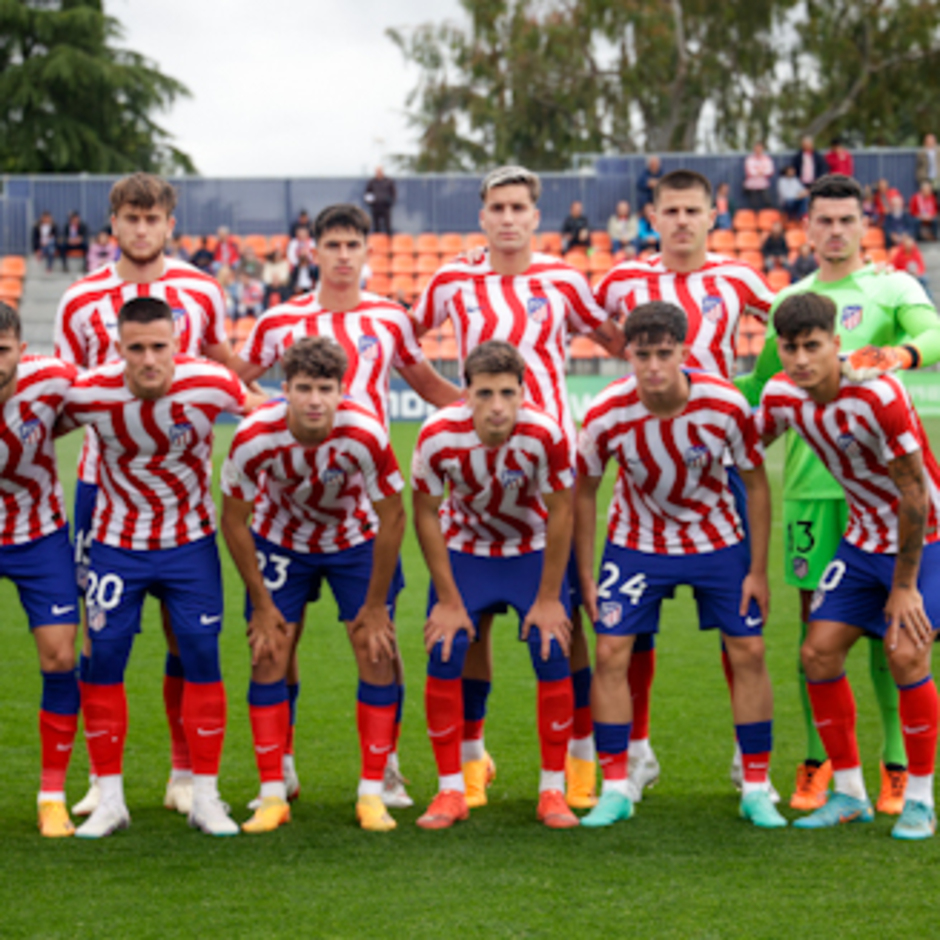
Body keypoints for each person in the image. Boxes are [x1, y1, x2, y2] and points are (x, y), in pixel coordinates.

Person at [235, 203, 461, 810]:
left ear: (367, 250)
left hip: (366, 509)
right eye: (330, 244)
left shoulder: (389, 318)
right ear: (313, 251)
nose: (341, 255)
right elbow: (238, 373)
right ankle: (278, 764)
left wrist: (484, 413)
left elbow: (430, 387)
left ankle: (384, 769)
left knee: (378, 638)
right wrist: (257, 403)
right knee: (282, 637)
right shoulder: (282, 319)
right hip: (285, 510)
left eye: (351, 244)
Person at [413, 165, 625, 812]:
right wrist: (461, 406)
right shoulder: (452, 278)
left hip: (555, 468)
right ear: (483, 216)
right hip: (477, 476)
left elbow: (615, 338)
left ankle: (581, 760)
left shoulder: (562, 278)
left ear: (537, 216)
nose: (508, 218)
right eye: (497, 207)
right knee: (467, 631)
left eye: (519, 207)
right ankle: (471, 766)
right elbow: (402, 343)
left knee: (571, 614)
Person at [736, 173, 940, 814]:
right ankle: (823, 766)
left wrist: (895, 356)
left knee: (899, 635)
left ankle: (899, 768)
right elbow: (763, 386)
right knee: (818, 634)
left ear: (862, 225)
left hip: (896, 499)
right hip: (810, 489)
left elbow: (934, 338)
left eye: (845, 220)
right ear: (807, 227)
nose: (833, 231)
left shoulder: (891, 285)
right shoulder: (791, 301)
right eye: (821, 220)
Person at [54, 172, 245, 821]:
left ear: (169, 223)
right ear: (114, 225)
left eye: (152, 218)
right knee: (99, 635)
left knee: (182, 632)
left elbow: (222, 360)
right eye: (130, 219)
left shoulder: (199, 288)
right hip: (101, 488)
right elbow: (67, 386)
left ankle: (186, 772)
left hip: (183, 490)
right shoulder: (81, 299)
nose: (141, 229)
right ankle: (100, 781)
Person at [595, 169, 776, 802]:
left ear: (712, 214)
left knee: (741, 625)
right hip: (644, 464)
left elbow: (786, 327)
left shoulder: (738, 278)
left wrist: (758, 395)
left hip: (716, 460)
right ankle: (636, 751)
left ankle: (744, 756)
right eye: (669, 210)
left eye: (691, 210)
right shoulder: (622, 279)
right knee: (630, 629)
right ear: (654, 215)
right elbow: (594, 326)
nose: (680, 221)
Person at [574, 301, 784, 829]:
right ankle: (617, 785)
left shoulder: (726, 404)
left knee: (750, 649)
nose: (652, 367)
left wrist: (757, 570)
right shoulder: (605, 413)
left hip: (716, 538)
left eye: (664, 354)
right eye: (641, 355)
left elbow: (756, 485)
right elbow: (583, 493)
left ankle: (756, 785)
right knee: (611, 651)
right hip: (637, 540)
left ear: (684, 353)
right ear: (628, 354)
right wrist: (584, 578)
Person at [759, 291, 940, 839]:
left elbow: (915, 496)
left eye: (812, 346)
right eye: (790, 348)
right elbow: (747, 443)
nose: (800, 360)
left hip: (927, 536)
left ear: (837, 344)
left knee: (906, 653)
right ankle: (849, 793)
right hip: (862, 542)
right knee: (817, 653)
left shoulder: (879, 394)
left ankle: (920, 800)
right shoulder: (782, 395)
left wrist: (904, 587)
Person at [222, 336, 407, 833]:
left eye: (325, 388)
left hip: (353, 540)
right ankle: (272, 793)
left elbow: (393, 518)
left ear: (341, 390)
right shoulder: (254, 436)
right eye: (303, 388)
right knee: (268, 652)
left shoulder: (365, 433)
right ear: (285, 389)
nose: (314, 400)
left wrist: (374, 605)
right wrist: (260, 604)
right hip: (280, 541)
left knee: (375, 649)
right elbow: (233, 521)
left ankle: (372, 793)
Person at [412, 341, 578, 830]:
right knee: (445, 648)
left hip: (530, 549)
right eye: (485, 393)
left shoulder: (544, 433)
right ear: (466, 393)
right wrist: (446, 598)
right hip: (466, 550)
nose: (498, 405)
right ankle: (451, 790)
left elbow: (563, 509)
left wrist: (549, 598)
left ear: (524, 392)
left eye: (508, 392)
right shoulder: (438, 435)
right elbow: (424, 511)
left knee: (552, 649)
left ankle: (553, 789)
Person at [0, 304, 81, 837]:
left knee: (59, 655)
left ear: (20, 351)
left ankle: (52, 796)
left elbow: (109, 392)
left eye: (1, 350)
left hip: (38, 535)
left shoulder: (51, 381)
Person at [364, 166, 396, 235]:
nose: (378, 173)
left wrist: (390, 202)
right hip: (375, 207)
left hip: (385, 207)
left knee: (387, 226)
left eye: (380, 171)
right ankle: (377, 242)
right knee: (376, 226)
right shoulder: (371, 182)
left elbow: (393, 193)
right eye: (377, 171)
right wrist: (370, 202)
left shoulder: (388, 181)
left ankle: (389, 243)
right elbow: (367, 193)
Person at [743, 142, 775, 210]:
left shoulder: (767, 159)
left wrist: (761, 172)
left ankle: (768, 215)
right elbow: (750, 171)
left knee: (767, 200)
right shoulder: (750, 159)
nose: (758, 150)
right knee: (754, 202)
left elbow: (770, 170)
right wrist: (760, 172)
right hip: (752, 183)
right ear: (754, 149)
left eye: (760, 148)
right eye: (756, 148)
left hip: (763, 183)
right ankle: (755, 217)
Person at [287, 225, 317, 296]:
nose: (302, 234)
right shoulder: (293, 242)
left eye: (304, 232)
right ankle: (295, 286)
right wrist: (298, 262)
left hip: (309, 265)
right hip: (298, 265)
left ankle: (313, 285)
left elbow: (314, 254)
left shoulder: (312, 242)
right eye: (300, 232)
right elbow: (290, 255)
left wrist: (307, 259)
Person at [261, 244, 291, 309]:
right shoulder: (268, 264)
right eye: (276, 256)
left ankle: (284, 308)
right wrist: (273, 281)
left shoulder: (284, 263)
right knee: (264, 292)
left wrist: (278, 280)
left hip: (281, 284)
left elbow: (285, 275)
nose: (278, 257)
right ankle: (265, 309)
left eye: (279, 256)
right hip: (270, 285)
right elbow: (265, 276)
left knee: (287, 291)